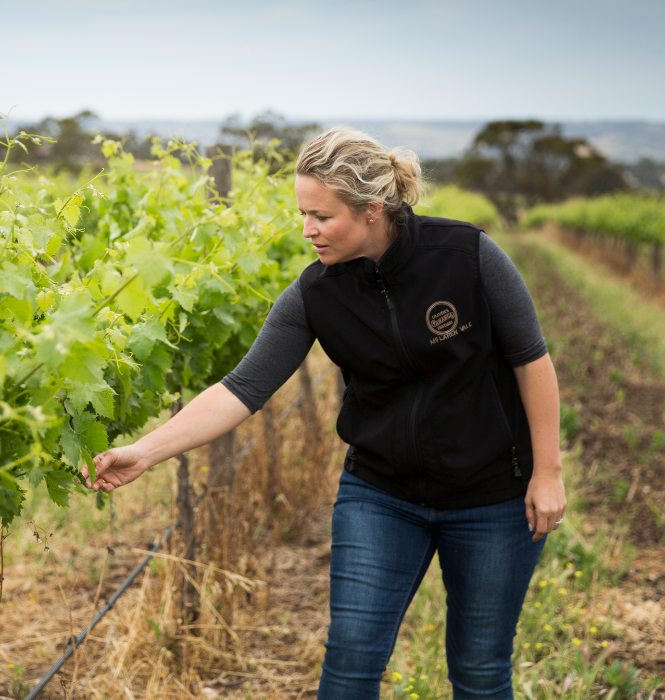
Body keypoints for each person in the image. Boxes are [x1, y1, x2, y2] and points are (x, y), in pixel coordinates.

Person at [82, 128, 567, 700]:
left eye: (321, 216)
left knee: (481, 669)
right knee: (350, 664)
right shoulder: (316, 295)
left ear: (372, 210)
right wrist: (145, 451)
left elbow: (531, 360)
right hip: (382, 496)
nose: (307, 230)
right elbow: (242, 388)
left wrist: (547, 471)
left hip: (492, 495)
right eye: (302, 214)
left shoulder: (467, 257)